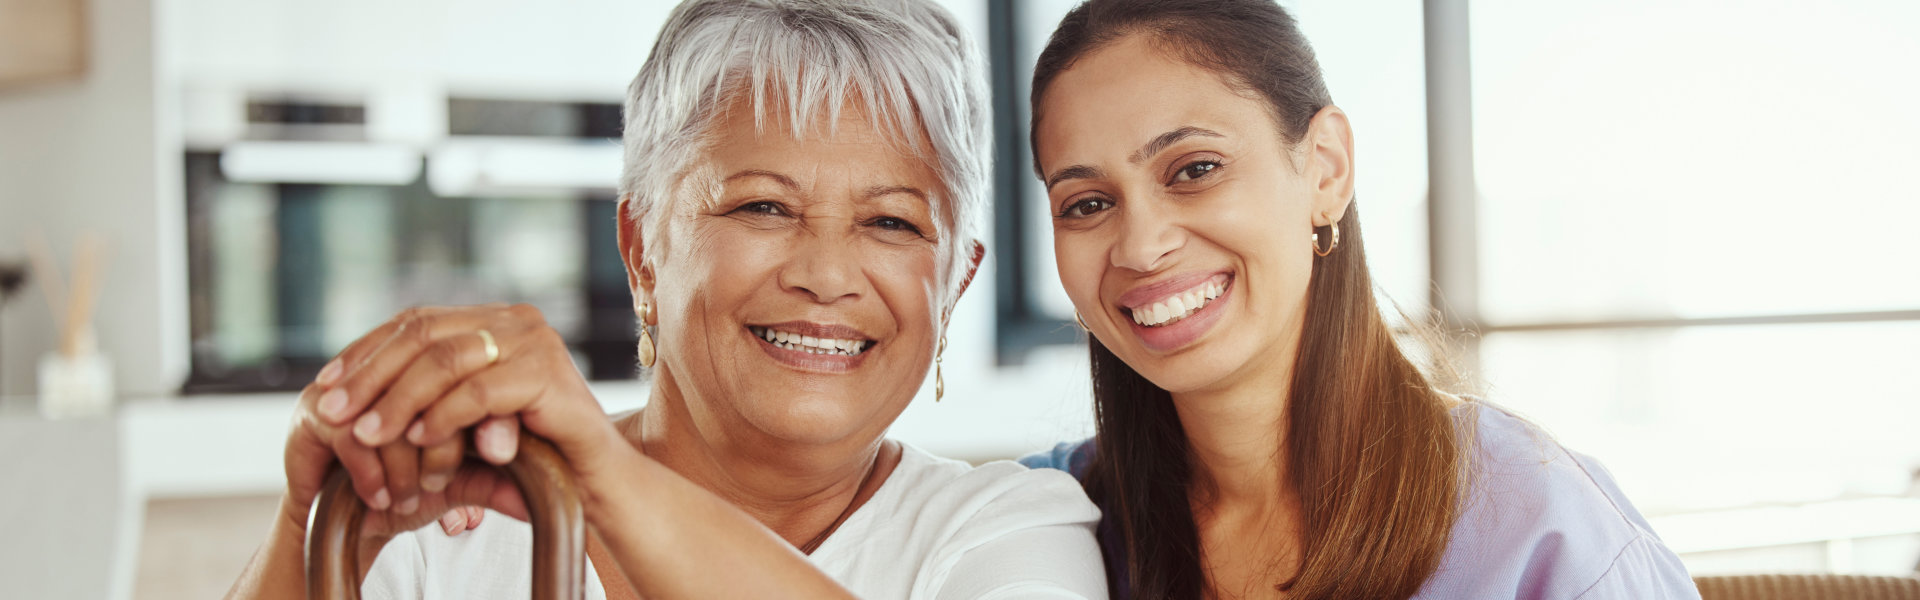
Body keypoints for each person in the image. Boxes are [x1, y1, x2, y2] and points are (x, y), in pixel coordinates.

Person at [225, 1, 1107, 598]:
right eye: (763, 206)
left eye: (890, 223)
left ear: (955, 281)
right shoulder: (447, 530)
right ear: (642, 248)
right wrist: (312, 524)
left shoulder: (1010, 531)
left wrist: (605, 485)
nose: (827, 273)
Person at [1017, 0, 1698, 598]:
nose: (1140, 246)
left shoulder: (1534, 519)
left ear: (1325, 169)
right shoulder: (1044, 523)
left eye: (1195, 169)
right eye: (1087, 204)